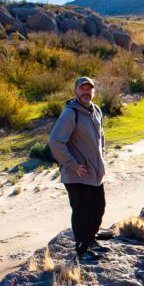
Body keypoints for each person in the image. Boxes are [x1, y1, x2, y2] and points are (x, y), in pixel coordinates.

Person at [49, 76, 107, 262]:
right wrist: (72, 164)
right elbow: (55, 142)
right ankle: (82, 250)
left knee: (98, 207)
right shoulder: (70, 113)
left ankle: (90, 239)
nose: (85, 92)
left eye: (89, 89)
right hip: (76, 174)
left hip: (94, 172)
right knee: (82, 211)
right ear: (75, 91)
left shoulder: (95, 110)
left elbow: (101, 138)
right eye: (82, 89)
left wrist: (101, 159)